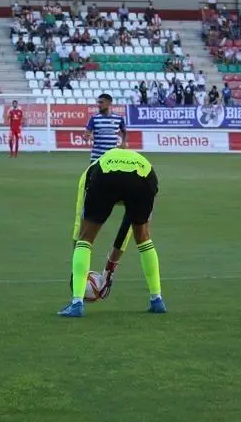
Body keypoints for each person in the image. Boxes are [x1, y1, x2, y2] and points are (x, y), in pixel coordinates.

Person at [58, 148, 165, 318]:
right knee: (144, 238)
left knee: (86, 239)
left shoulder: (89, 173)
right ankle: (157, 300)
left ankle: (77, 303)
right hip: (145, 175)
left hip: (107, 175)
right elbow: (129, 224)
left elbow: (80, 224)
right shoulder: (140, 165)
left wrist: (76, 274)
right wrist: (110, 268)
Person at [84, 93, 126, 163]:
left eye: (101, 102)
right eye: (98, 102)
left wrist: (123, 143)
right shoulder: (94, 118)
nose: (98, 105)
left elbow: (124, 131)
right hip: (96, 157)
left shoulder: (118, 118)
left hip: (111, 158)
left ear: (109, 103)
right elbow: (86, 136)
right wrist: (87, 136)